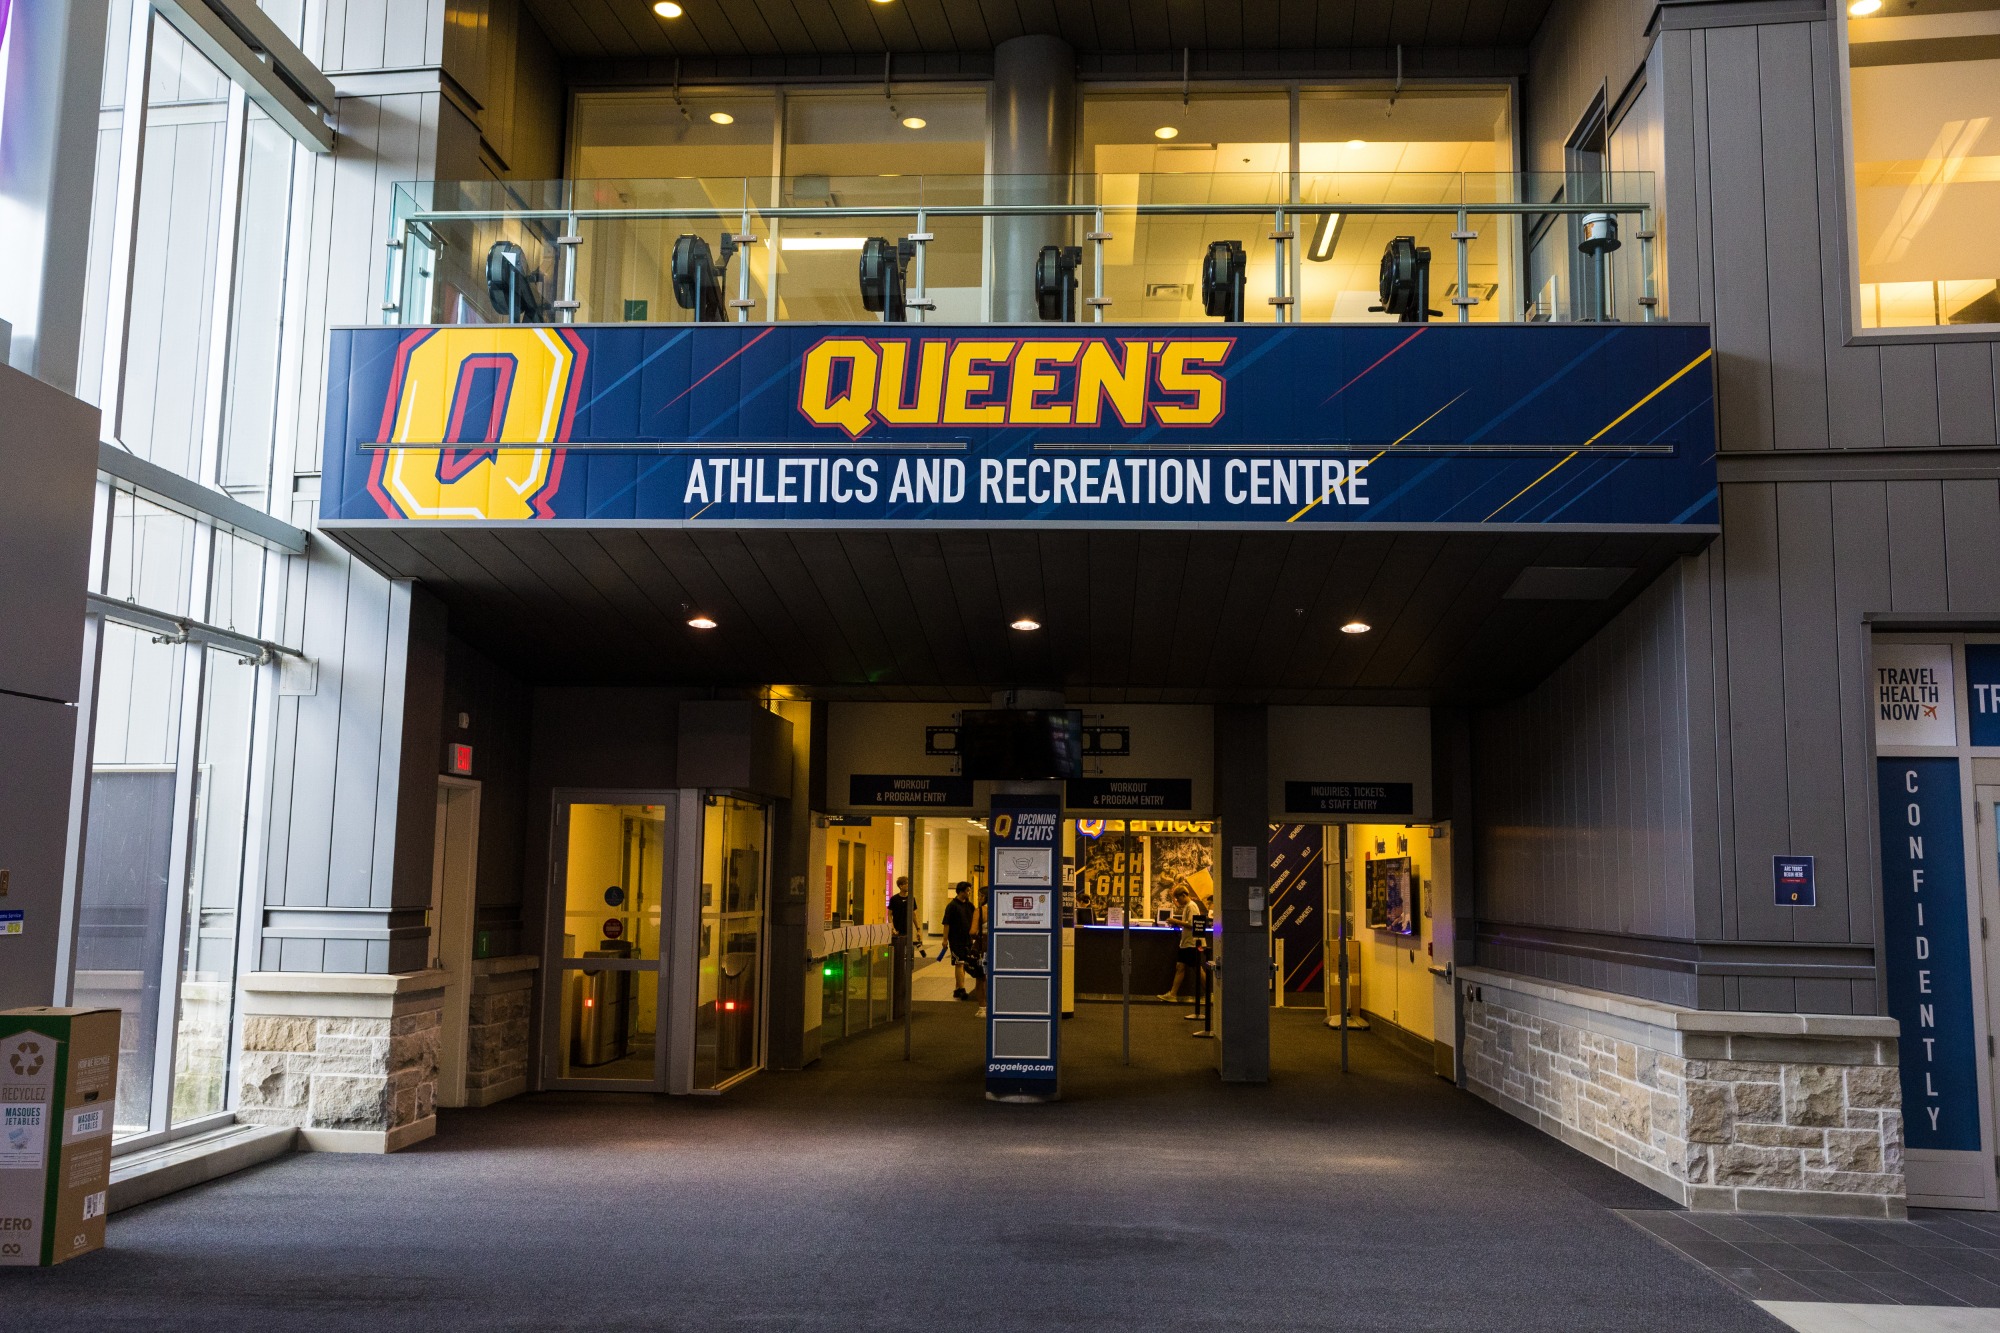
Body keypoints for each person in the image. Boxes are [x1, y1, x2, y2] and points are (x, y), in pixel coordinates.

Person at [1157, 881, 1210, 1002]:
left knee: (1195, 968)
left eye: (1177, 898)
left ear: (1183, 895)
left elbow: (1192, 925)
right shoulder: (1189, 906)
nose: (1177, 901)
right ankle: (1173, 994)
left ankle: (1210, 993)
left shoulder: (1191, 906)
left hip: (1192, 943)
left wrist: (1175, 921)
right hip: (1187, 943)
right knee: (1181, 967)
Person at [942, 880, 978, 1000]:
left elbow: (975, 920)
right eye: (967, 891)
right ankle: (962, 989)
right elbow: (946, 924)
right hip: (956, 940)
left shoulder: (969, 905)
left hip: (968, 940)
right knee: (959, 963)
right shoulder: (952, 906)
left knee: (963, 964)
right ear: (961, 892)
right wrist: (945, 940)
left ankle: (957, 989)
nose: (969, 893)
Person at [888, 876, 922, 955]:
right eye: (906, 884)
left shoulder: (911, 898)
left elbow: (914, 915)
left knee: (907, 952)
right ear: (901, 886)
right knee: (897, 952)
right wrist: (892, 928)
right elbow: (889, 915)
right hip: (897, 930)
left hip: (908, 930)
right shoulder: (894, 899)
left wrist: (918, 929)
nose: (908, 885)